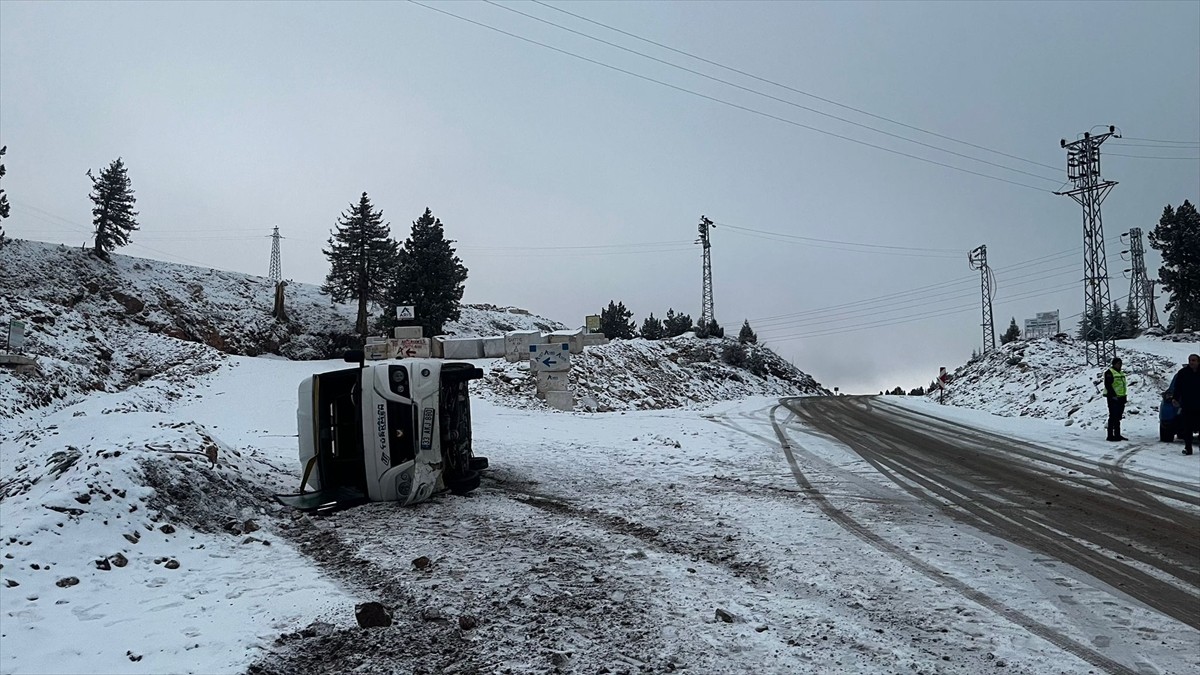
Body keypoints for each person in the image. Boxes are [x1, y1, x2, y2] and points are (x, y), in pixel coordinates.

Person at [1167, 353, 1200, 455]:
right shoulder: (1183, 373)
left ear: (1198, 362)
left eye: (1194, 360)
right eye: (1190, 360)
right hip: (1187, 404)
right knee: (1187, 427)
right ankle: (1188, 448)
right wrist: (1175, 399)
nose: (1191, 362)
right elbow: (1178, 388)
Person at [1104, 357, 1128, 442]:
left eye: (1120, 363)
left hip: (1121, 397)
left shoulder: (1121, 373)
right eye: (1118, 363)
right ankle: (1110, 435)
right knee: (1113, 416)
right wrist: (1113, 396)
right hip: (1113, 398)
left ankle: (1117, 434)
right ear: (1114, 364)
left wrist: (1124, 397)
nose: (1120, 365)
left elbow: (1122, 386)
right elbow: (1108, 385)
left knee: (1118, 417)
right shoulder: (1109, 372)